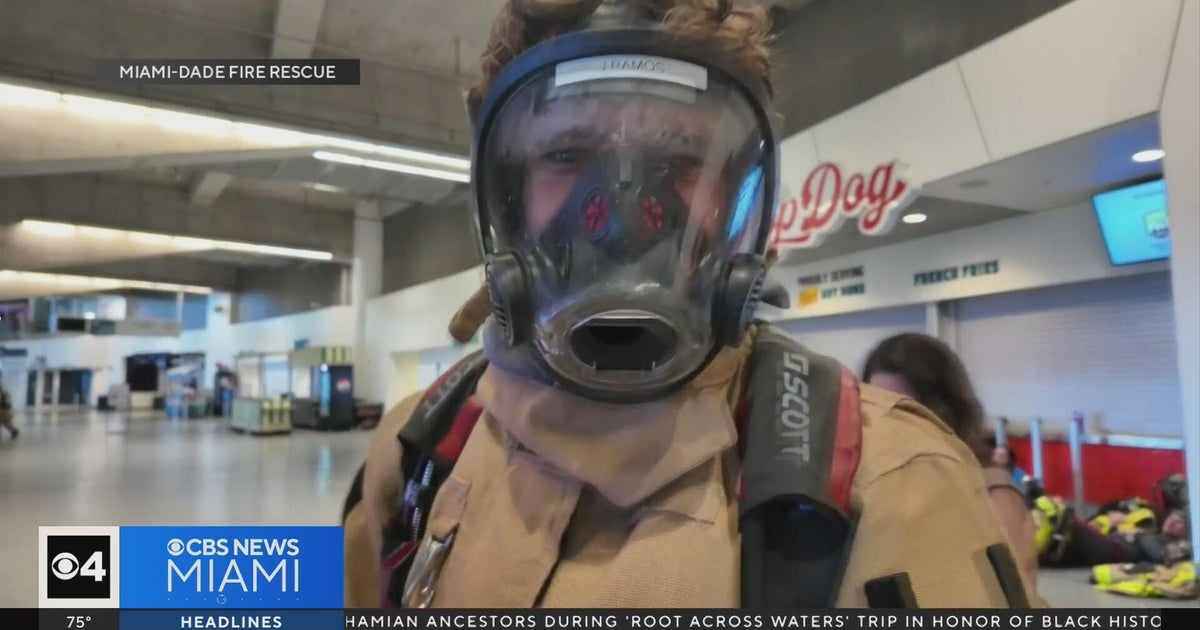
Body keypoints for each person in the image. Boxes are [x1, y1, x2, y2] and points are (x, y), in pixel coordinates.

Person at [344, 0, 1033, 609]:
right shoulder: (418, 448)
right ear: (505, 194)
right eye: (565, 154)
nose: (619, 215)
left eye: (679, 161)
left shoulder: (894, 488)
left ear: (737, 196)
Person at [862, 332, 1040, 594]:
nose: (890, 424)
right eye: (879, 408)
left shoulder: (992, 493)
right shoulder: (884, 486)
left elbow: (1013, 598)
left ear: (943, 409)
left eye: (905, 410)